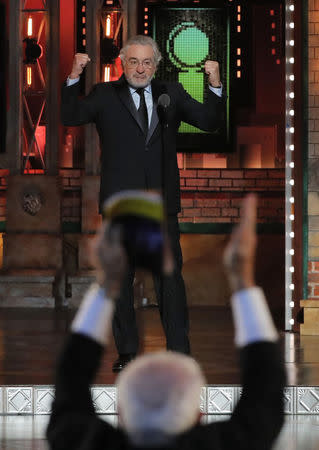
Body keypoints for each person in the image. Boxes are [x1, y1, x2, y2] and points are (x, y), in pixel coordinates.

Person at [46, 193, 286, 450]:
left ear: (120, 414)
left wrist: (108, 283)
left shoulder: (87, 443)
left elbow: (70, 384)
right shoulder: (228, 443)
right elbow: (265, 398)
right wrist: (242, 277)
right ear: (199, 416)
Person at [61, 34, 226, 371]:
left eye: (147, 62)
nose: (140, 68)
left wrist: (215, 82)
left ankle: (179, 351)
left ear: (156, 65)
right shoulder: (105, 95)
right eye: (133, 61)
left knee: (170, 280)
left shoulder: (172, 93)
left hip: (161, 204)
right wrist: (74, 75)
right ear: (123, 63)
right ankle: (127, 353)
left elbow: (209, 122)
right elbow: (70, 115)